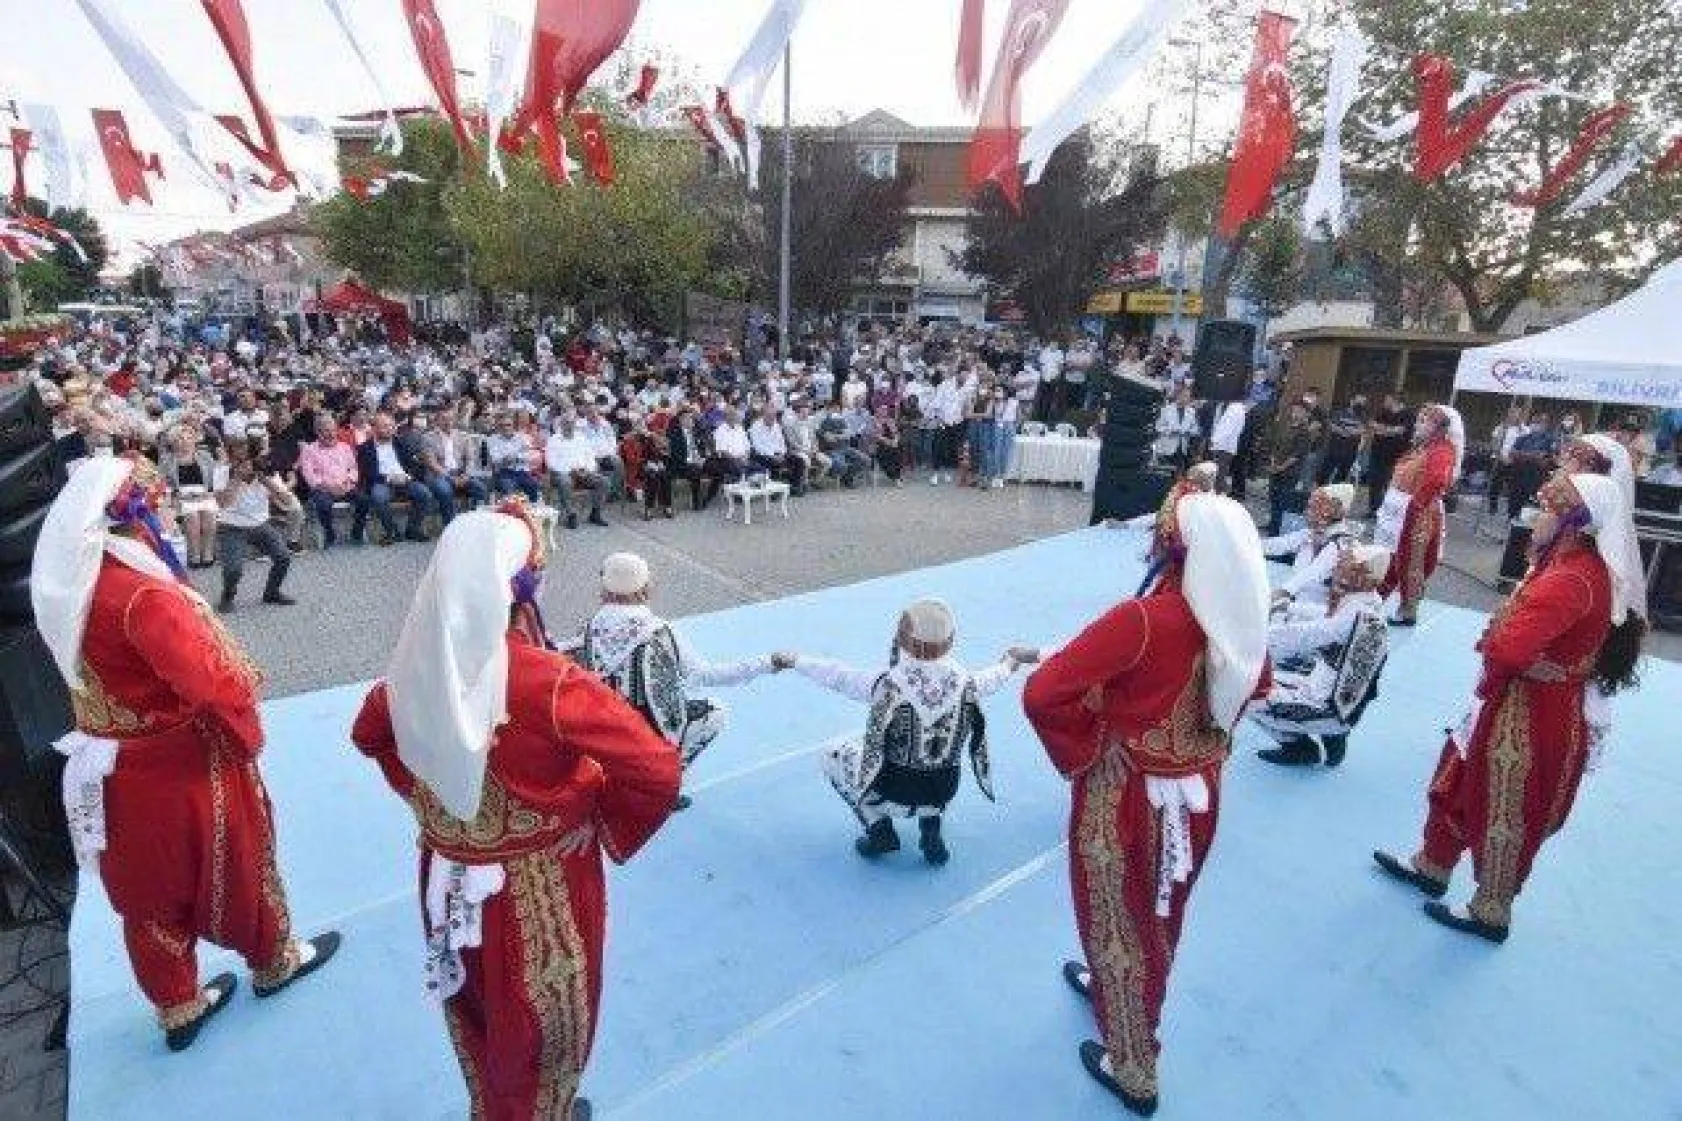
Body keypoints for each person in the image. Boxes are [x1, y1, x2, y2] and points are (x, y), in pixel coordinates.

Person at [351, 508, 679, 1121]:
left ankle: (494, 1107)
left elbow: (369, 736)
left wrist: (433, 798)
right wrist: (597, 814)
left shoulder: (410, 670)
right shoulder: (547, 680)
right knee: (544, 1024)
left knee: (471, 1000)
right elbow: (657, 769)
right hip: (541, 880)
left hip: (447, 870)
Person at [33, 457, 339, 1052]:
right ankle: (273, 960)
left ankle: (178, 1005)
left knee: (146, 892)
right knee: (237, 859)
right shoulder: (140, 593)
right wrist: (245, 732)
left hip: (109, 764)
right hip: (177, 761)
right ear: (135, 515)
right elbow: (211, 683)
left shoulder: (70, 583)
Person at [1024, 491, 1270, 1117]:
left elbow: (1045, 692)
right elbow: (1251, 688)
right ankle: (1113, 990)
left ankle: (1133, 1065)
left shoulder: (1144, 619)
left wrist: (1089, 744)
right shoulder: (1237, 619)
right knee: (1160, 915)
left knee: (1118, 918)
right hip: (1198, 794)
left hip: (1128, 793)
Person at [1373, 472, 1643, 943]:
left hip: (1528, 710)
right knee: (1457, 778)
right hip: (1514, 694)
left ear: (1573, 523)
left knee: (1506, 807)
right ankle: (1432, 864)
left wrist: (1505, 648)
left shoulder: (1572, 577)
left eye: (1548, 511)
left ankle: (1491, 910)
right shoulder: (1567, 566)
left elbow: (1508, 649)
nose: (1535, 519)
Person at [784, 601, 1038, 864]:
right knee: (933, 752)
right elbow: (994, 677)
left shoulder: (887, 683)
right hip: (943, 790)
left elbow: (837, 676)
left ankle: (878, 828)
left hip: (893, 788)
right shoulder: (968, 683)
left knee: (832, 754)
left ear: (903, 640)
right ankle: (931, 828)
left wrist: (795, 660)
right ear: (951, 641)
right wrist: (1010, 661)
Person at [572, 553, 784, 810]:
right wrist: (767, 664)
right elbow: (707, 675)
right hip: (648, 739)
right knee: (714, 713)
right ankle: (663, 786)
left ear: (604, 590)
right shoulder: (660, 631)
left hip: (602, 740)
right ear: (645, 588)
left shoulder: (587, 631)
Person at [1251, 544, 1391, 768]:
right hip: (1332, 691)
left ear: (1366, 579)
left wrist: (1251, 638)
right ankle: (1330, 736)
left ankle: (1302, 750)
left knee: (1247, 694)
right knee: (1274, 672)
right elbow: (1326, 621)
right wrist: (1289, 606)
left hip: (1328, 704)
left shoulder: (1358, 612)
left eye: (1347, 569)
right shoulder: (1367, 602)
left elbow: (1309, 635)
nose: (1337, 572)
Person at [1373, 404, 1463, 626]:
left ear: (1439, 427)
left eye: (1425, 421)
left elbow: (1437, 481)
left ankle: (1407, 609)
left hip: (1416, 513)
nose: (1418, 424)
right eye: (1419, 419)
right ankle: (1375, 600)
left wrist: (1416, 505)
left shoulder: (1442, 450)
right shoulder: (1423, 447)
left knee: (1409, 561)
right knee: (1393, 558)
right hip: (1399, 512)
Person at [215, 444, 297, 612]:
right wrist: (236, 479)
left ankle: (271, 592)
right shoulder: (222, 472)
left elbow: (288, 501)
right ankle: (228, 595)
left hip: (260, 525)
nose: (245, 466)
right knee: (234, 569)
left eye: (248, 461)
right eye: (240, 462)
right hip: (231, 526)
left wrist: (266, 481)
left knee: (283, 557)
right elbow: (223, 503)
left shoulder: (266, 472)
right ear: (232, 461)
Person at [1260, 482, 1358, 611]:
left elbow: (1313, 573)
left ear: (1329, 511)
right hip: (1296, 603)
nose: (1306, 512)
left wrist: (1283, 592)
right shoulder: (1312, 532)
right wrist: (1246, 543)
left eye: (1312, 508)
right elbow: (1279, 545)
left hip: (1317, 612)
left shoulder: (1342, 543)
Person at [357, 411, 436, 543]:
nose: (390, 429)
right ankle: (392, 531)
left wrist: (408, 476)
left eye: (391, 426)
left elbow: (413, 465)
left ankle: (412, 529)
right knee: (378, 496)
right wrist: (389, 478)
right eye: (385, 426)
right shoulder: (365, 448)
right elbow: (368, 473)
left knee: (424, 493)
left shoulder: (401, 443)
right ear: (375, 428)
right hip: (382, 481)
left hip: (405, 480)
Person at [298, 414, 370, 548]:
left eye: (333, 430)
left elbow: (353, 468)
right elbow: (309, 475)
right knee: (323, 504)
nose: (331, 434)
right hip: (322, 489)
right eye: (326, 431)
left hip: (345, 487)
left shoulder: (345, 447)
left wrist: (348, 483)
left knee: (364, 500)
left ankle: (357, 532)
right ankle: (329, 532)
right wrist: (328, 487)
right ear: (318, 432)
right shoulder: (309, 450)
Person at [546, 412, 609, 529]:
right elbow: (551, 463)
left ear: (575, 424)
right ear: (561, 424)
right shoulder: (554, 440)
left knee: (603, 481)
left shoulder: (581, 438)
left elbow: (590, 457)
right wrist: (571, 470)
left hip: (583, 473)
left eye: (571, 423)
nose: (569, 425)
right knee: (565, 481)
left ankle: (595, 513)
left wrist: (587, 469)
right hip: (563, 474)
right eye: (566, 423)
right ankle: (571, 514)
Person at [1265, 401, 1315, 535]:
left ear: (1306, 414)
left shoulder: (1305, 432)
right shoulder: (1287, 427)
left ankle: (1276, 531)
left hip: (1289, 473)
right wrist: (1273, 461)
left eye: (1299, 410)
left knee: (1283, 502)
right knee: (1273, 499)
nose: (1295, 412)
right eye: (1294, 409)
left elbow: (1296, 456)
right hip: (1276, 469)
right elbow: (1276, 446)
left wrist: (1280, 468)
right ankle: (1272, 525)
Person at [1364, 393, 1414, 517]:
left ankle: (1387, 513)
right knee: (1374, 483)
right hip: (1377, 454)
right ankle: (1373, 510)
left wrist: (1383, 429)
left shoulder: (1408, 415)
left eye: (1387, 399)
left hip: (1395, 458)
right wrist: (1388, 430)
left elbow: (1400, 430)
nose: (1385, 401)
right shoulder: (1383, 413)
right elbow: (1371, 424)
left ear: (1395, 400)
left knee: (1389, 486)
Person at [1505, 412, 1558, 520]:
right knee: (1514, 500)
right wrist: (1534, 456)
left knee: (1529, 506)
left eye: (1539, 422)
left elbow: (1547, 460)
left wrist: (1522, 455)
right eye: (1534, 422)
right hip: (1518, 474)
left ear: (1546, 424)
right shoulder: (1522, 438)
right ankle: (1511, 519)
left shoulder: (1550, 440)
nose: (1536, 424)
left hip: (1536, 477)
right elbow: (1512, 453)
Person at [1318, 395, 1367, 485]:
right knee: (1325, 473)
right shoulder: (1340, 412)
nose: (1361, 405)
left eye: (1363, 403)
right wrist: (1341, 431)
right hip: (1335, 448)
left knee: (1341, 476)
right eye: (1359, 402)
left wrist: (1355, 431)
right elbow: (1331, 425)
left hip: (1351, 451)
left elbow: (1364, 430)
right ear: (1352, 401)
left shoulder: (1363, 416)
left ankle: (1334, 495)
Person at [1152, 385, 1201, 469]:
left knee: (1177, 476)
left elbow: (1196, 429)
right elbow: (1158, 427)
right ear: (1178, 396)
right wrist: (1171, 431)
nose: (1188, 399)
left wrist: (1189, 432)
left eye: (1189, 397)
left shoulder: (1192, 412)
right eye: (1185, 396)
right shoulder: (1166, 409)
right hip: (1166, 448)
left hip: (1182, 449)